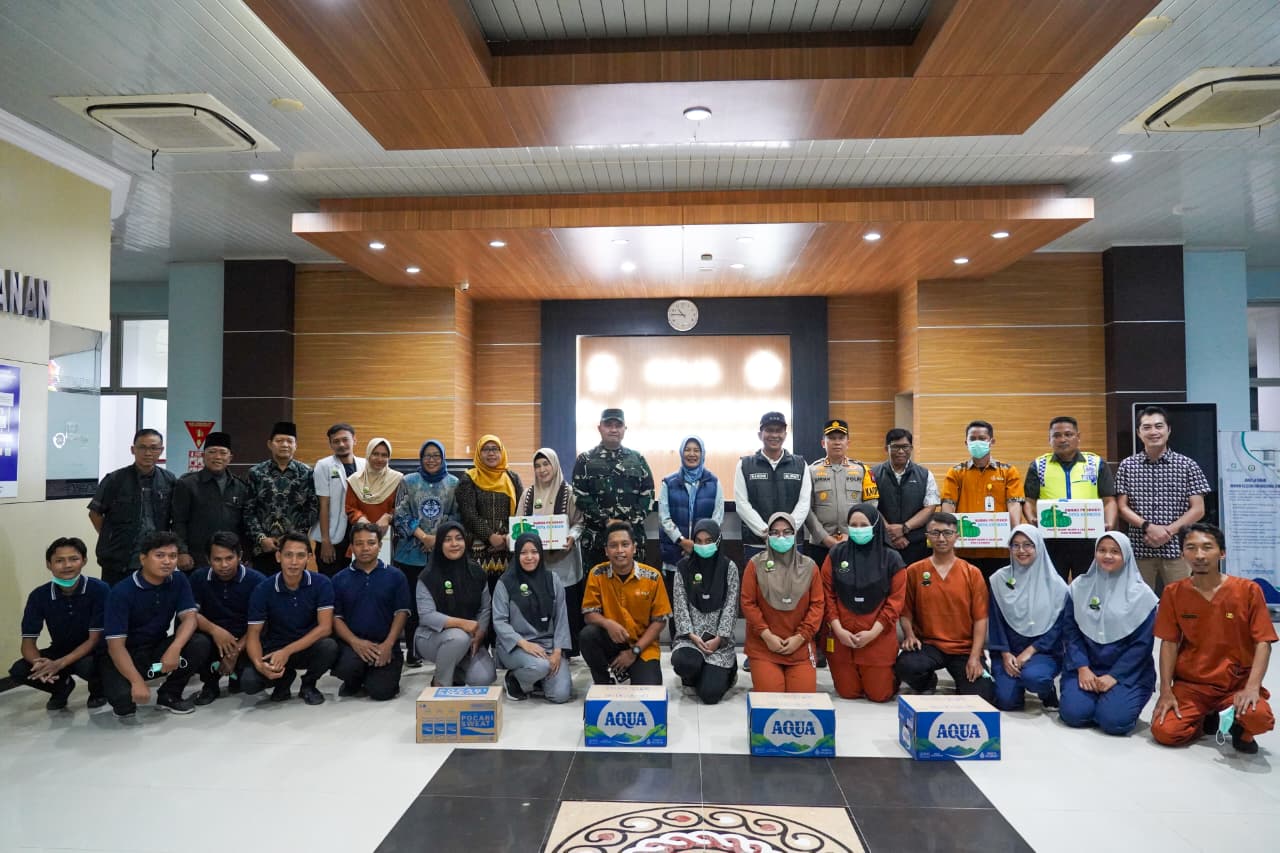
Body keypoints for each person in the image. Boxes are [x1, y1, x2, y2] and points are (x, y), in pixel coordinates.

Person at [1151, 523, 1275, 753]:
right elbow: (1168, 643)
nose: (1199, 555)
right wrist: (1166, 691)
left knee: (1258, 717)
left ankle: (1242, 731)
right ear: (1182, 554)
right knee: (1165, 731)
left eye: (1207, 547)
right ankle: (1205, 717)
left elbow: (1263, 642)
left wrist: (1252, 687)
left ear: (1222, 553)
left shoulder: (1248, 591)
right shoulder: (1173, 593)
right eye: (1191, 548)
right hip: (1192, 684)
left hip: (1235, 683)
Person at [101, 531, 212, 718]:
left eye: (173, 556)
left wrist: (175, 648)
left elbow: (190, 618)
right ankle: (120, 683)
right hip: (125, 655)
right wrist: (136, 681)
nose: (167, 561)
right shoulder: (121, 592)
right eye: (159, 555)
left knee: (199, 643)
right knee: (124, 703)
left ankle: (169, 694)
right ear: (143, 559)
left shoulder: (178, 580)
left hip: (156, 656)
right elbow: (115, 646)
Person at [1059, 532, 1158, 736]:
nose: (1107, 556)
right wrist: (1082, 668)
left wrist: (1115, 676)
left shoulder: (1143, 596)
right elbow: (1070, 631)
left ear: (1126, 555)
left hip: (1127, 672)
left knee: (1114, 722)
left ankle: (1111, 702)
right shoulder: (1079, 587)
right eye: (1102, 550)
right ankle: (1096, 701)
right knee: (1074, 715)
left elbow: (1142, 645)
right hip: (1086, 666)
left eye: (1115, 551)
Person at [895, 513, 996, 704]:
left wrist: (975, 657)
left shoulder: (972, 573)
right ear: (927, 536)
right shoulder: (914, 571)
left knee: (983, 696)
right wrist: (909, 635)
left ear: (957, 536)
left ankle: (963, 683)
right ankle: (927, 683)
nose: (941, 538)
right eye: (935, 533)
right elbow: (906, 611)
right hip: (929, 645)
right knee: (906, 666)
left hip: (964, 649)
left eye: (947, 533)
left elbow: (981, 619)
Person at [1115, 406, 1211, 594]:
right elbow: (1122, 507)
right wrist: (1148, 527)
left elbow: (1198, 509)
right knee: (1138, 603)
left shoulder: (1187, 465)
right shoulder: (1127, 466)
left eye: (1159, 426)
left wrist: (1167, 532)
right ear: (1139, 433)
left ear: (1169, 430)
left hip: (1177, 549)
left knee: (1183, 601)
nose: (1153, 432)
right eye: (1147, 427)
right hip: (1140, 549)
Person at [805, 418, 877, 667]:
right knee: (817, 596)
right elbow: (806, 509)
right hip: (819, 545)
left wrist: (851, 534)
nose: (836, 442)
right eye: (831, 438)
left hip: (853, 543)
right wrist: (823, 537)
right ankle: (818, 643)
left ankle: (846, 639)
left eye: (840, 438)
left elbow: (872, 505)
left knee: (848, 592)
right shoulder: (811, 471)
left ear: (848, 442)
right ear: (823, 442)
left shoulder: (862, 470)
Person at [9, 537, 109, 710]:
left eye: (74, 559)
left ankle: (98, 691)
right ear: (49, 564)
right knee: (19, 670)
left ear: (84, 561)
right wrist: (38, 664)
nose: (67, 565)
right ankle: (61, 688)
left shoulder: (99, 589)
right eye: (59, 561)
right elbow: (28, 642)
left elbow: (94, 639)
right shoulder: (39, 595)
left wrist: (60, 664)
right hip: (60, 649)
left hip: (92, 650)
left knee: (92, 665)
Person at [242, 531, 339, 705]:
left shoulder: (322, 583)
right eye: (288, 555)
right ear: (278, 556)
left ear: (309, 557)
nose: (294, 562)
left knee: (329, 646)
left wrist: (287, 651)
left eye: (300, 555)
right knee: (250, 682)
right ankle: (283, 680)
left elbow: (325, 628)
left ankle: (308, 684)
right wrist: (259, 664)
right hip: (275, 648)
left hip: (306, 646)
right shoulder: (263, 589)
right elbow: (253, 634)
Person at [822, 504, 905, 702]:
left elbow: (895, 602)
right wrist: (838, 629)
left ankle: (892, 675)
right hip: (842, 636)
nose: (858, 529)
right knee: (848, 693)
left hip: (877, 636)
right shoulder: (836, 554)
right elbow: (826, 595)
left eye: (864, 525)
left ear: (875, 526)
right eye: (853, 525)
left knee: (879, 695)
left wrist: (873, 633)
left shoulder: (892, 559)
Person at [1024, 416, 1118, 582]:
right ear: (1049, 439)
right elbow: (1029, 501)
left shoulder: (1095, 463)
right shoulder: (1038, 465)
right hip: (1051, 540)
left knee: (1087, 587)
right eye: (1057, 435)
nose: (1062, 439)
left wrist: (1109, 525)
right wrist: (1032, 519)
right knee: (1052, 587)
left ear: (1078, 437)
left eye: (1068, 434)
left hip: (1088, 540)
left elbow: (1109, 500)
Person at [392, 439, 459, 665]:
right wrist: (424, 537)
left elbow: (457, 516)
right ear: (421, 458)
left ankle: (442, 651)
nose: (432, 460)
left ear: (443, 458)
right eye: (427, 456)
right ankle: (413, 652)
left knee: (443, 604)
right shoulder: (408, 481)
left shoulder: (454, 483)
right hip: (410, 555)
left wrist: (437, 538)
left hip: (444, 554)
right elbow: (400, 515)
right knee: (412, 605)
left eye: (436, 455)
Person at [740, 512, 824, 693]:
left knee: (801, 698)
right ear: (768, 536)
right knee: (771, 695)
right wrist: (767, 636)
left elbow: (817, 606)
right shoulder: (755, 565)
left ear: (795, 534)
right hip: (764, 646)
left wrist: (800, 637)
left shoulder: (810, 567)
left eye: (787, 532)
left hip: (800, 646)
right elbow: (748, 603)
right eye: (774, 533)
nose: (781, 537)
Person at [987, 524, 1068, 711]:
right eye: (1015, 545)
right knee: (1006, 702)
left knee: (1035, 678)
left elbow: (1058, 628)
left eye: (1027, 545)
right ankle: (1015, 684)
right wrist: (1005, 653)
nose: (1021, 550)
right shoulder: (999, 580)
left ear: (1038, 546)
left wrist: (1030, 651)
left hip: (1042, 652)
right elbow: (995, 621)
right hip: (1008, 651)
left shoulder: (1057, 586)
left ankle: (1046, 690)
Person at [580, 521, 671, 685]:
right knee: (588, 635)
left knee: (649, 691)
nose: (620, 550)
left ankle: (629, 670)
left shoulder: (653, 577)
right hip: (611, 640)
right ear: (606, 551)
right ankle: (605, 681)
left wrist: (634, 652)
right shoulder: (597, 574)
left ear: (634, 548)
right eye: (613, 546)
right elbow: (589, 613)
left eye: (625, 544)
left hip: (643, 647)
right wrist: (607, 623)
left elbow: (660, 621)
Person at [514, 447, 585, 655]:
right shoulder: (528, 494)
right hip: (537, 562)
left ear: (555, 465)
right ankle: (543, 646)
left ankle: (567, 650)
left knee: (565, 604)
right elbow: (518, 523)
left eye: (546, 464)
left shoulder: (569, 493)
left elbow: (579, 522)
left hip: (564, 560)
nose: (542, 469)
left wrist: (571, 536)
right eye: (537, 466)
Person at [331, 522, 411, 701]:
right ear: (352, 547)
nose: (365, 548)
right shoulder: (339, 579)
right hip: (352, 645)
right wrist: (355, 642)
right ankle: (354, 680)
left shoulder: (396, 576)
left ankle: (375, 678)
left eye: (371, 543)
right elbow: (336, 618)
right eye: (359, 543)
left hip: (385, 644)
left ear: (380, 545)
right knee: (347, 667)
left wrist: (388, 644)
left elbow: (401, 613)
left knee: (382, 692)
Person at [88, 428, 177, 585]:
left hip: (155, 557)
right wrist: (110, 536)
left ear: (161, 450)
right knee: (117, 597)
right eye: (142, 447)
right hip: (119, 558)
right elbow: (95, 513)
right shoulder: (115, 479)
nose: (148, 453)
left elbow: (175, 516)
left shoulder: (169, 480)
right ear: (132, 449)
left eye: (154, 448)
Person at [188, 531, 267, 705]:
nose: (224, 565)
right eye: (217, 559)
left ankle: (237, 674)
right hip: (213, 641)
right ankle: (210, 684)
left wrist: (235, 651)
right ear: (208, 559)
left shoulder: (257, 581)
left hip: (247, 641)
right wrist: (215, 630)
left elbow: (262, 623)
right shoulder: (198, 578)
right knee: (194, 640)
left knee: (250, 683)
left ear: (239, 556)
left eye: (229, 558)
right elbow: (189, 614)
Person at [493, 532, 573, 703]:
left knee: (560, 695)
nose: (529, 557)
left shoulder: (552, 580)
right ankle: (514, 679)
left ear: (541, 553)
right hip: (516, 646)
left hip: (548, 646)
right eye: (523, 553)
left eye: (534, 552)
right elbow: (499, 621)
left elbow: (561, 617)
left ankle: (537, 680)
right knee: (540, 665)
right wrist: (524, 644)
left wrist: (557, 651)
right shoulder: (505, 582)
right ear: (516, 554)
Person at [414, 521, 496, 687]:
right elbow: (427, 616)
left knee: (483, 678)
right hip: (432, 636)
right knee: (458, 637)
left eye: (459, 538)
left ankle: (452, 668)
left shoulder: (476, 572)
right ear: (439, 544)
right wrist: (463, 624)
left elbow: (485, 607)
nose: (454, 544)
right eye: (447, 539)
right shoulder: (428, 576)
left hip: (470, 636)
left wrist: (480, 632)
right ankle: (440, 682)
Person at [572, 408, 655, 570]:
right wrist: (606, 521)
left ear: (625, 429)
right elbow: (580, 496)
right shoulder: (585, 460)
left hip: (632, 539)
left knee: (634, 584)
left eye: (618, 425)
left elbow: (648, 494)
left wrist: (628, 522)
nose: (613, 429)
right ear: (600, 428)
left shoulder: (637, 459)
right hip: (597, 540)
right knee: (597, 584)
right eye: (608, 425)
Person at [940, 420, 1026, 578]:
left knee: (999, 591)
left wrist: (1016, 536)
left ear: (992, 441)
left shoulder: (1008, 471)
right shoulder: (956, 472)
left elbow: (1014, 504)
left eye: (982, 438)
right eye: (972, 439)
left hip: (1000, 550)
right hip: (965, 549)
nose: (977, 442)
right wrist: (946, 535)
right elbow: (948, 505)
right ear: (966, 442)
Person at [658, 435, 723, 638]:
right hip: (675, 554)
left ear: (703, 454)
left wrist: (700, 543)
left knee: (702, 601)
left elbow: (717, 516)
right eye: (688, 449)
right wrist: (681, 541)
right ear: (681, 452)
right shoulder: (669, 482)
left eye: (696, 450)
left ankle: (704, 642)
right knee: (677, 603)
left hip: (705, 552)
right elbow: (664, 517)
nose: (692, 454)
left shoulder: (713, 482)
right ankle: (678, 643)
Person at [670, 520, 740, 705]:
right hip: (691, 638)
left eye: (708, 541)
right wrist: (692, 636)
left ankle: (729, 670)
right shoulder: (683, 567)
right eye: (698, 541)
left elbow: (731, 606)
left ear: (718, 541)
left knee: (709, 695)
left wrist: (719, 638)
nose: (703, 545)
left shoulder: (729, 567)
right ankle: (698, 671)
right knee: (684, 663)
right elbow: (680, 605)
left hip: (719, 641)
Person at [734, 412, 812, 564]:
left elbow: (804, 502)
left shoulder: (800, 464)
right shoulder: (745, 464)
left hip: (791, 542)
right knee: (757, 580)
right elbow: (742, 504)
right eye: (769, 430)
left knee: (793, 580)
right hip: (756, 543)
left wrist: (786, 532)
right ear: (760, 435)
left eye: (779, 431)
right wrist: (766, 532)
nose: (774, 435)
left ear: (785, 434)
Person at [245, 422, 318, 574]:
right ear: (270, 444)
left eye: (289, 441)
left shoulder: (307, 473)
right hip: (262, 548)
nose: (284, 444)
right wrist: (261, 538)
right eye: (279, 441)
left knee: (294, 585)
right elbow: (248, 510)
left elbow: (312, 510)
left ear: (296, 445)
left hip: (295, 548)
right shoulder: (256, 473)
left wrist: (291, 537)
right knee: (264, 585)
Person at [173, 431, 251, 572]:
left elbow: (244, 524)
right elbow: (179, 521)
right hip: (196, 559)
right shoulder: (187, 484)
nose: (217, 457)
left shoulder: (240, 487)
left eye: (223, 453)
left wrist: (245, 554)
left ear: (230, 457)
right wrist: (182, 552)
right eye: (212, 452)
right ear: (203, 456)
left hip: (230, 559)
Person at [456, 434, 524, 587]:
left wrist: (507, 537)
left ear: (502, 451)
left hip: (508, 548)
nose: (491, 453)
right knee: (479, 593)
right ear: (479, 453)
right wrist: (490, 536)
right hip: (477, 550)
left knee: (507, 593)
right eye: (486, 449)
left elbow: (521, 512)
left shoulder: (513, 478)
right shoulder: (468, 479)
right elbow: (468, 514)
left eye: (495, 449)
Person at [874, 428, 940, 567]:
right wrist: (890, 533)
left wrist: (904, 528)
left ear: (911, 448)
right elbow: (871, 506)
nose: (900, 451)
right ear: (886, 448)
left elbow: (930, 507)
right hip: (884, 545)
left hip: (917, 545)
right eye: (895, 447)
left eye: (905, 447)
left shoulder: (925, 475)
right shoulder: (872, 474)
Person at [312, 422, 365, 575]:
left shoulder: (365, 464)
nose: (341, 444)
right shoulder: (323, 465)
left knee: (356, 579)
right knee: (331, 579)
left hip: (357, 533)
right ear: (330, 444)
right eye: (336, 441)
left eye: (345, 439)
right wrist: (325, 541)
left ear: (354, 440)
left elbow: (368, 497)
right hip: (332, 535)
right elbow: (323, 504)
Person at [344, 436, 403, 548]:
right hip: (361, 535)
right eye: (375, 454)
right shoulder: (355, 480)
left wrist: (389, 517)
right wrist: (359, 518)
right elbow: (350, 507)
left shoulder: (397, 479)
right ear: (368, 455)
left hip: (388, 538)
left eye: (384, 455)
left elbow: (402, 507)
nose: (379, 459)